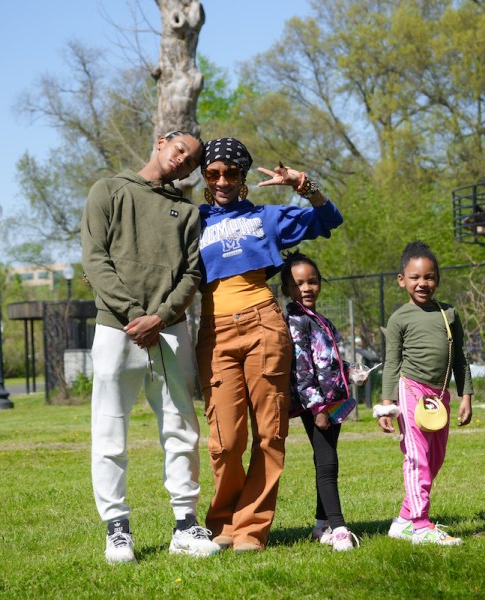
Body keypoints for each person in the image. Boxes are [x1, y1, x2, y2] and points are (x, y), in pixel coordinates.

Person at [195, 137, 343, 553]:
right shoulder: (194, 221)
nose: (222, 180)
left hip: (264, 325)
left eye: (231, 173)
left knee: (269, 433)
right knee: (224, 440)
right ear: (205, 177)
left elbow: (329, 219)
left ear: (242, 177)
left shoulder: (267, 218)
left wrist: (303, 184)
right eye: (213, 173)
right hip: (215, 330)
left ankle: (251, 528)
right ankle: (222, 522)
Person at [81, 130, 219, 564]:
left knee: (180, 428)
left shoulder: (189, 213)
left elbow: (192, 275)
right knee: (109, 430)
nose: (184, 161)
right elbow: (94, 258)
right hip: (116, 330)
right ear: (161, 142)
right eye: (181, 150)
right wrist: (132, 315)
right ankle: (117, 530)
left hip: (169, 329)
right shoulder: (108, 190)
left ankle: (185, 524)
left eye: (192, 161)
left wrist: (159, 318)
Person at [374, 240, 474, 546]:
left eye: (429, 277)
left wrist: (466, 396)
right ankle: (420, 526)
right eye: (415, 277)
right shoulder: (399, 318)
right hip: (411, 390)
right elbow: (392, 362)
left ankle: (403, 520)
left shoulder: (449, 313)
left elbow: (460, 358)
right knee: (417, 459)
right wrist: (387, 402)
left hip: (439, 397)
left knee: (435, 458)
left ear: (438, 279)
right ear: (402, 280)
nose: (423, 283)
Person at [280, 251, 360, 552]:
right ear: (287, 288)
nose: (307, 288)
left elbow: (326, 360)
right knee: (328, 464)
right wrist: (318, 409)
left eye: (312, 282)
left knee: (324, 460)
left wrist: (350, 370)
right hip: (317, 405)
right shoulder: (295, 321)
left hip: (334, 400)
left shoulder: (319, 319)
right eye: (299, 283)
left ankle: (321, 524)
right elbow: (302, 370)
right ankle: (339, 528)